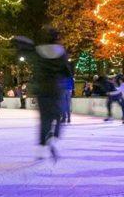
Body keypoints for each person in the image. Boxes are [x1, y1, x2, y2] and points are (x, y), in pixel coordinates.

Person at [29, 27, 73, 161]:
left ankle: (41, 148)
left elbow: (35, 70)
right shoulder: (61, 51)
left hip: (42, 89)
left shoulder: (38, 51)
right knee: (58, 114)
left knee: (44, 119)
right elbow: (67, 72)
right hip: (55, 88)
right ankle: (54, 136)